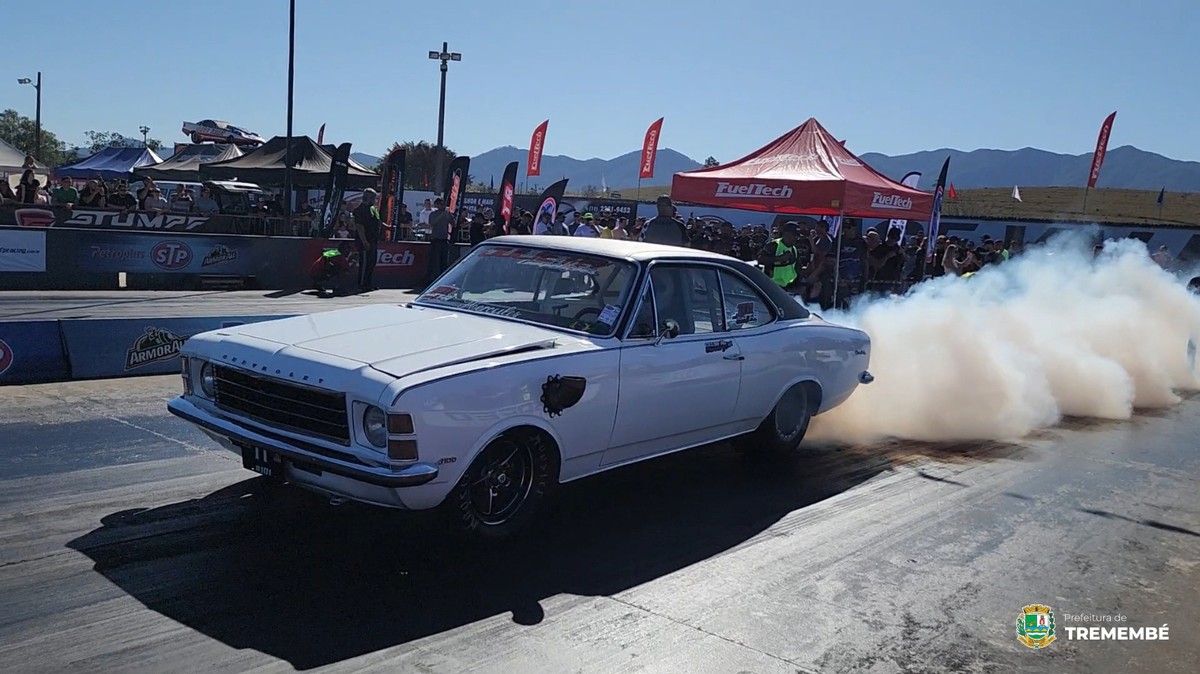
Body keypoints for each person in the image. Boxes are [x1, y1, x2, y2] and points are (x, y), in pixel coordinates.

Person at [352, 188, 383, 291]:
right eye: (374, 198)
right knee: (364, 263)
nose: (375, 200)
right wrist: (364, 241)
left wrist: (388, 227)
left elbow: (378, 221)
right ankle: (361, 284)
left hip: (373, 240)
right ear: (368, 198)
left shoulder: (373, 209)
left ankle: (368, 283)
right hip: (364, 241)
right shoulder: (359, 210)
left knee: (371, 262)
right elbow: (359, 227)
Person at [758, 221, 802, 291]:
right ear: (786, 234)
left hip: (787, 286)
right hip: (771, 285)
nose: (797, 239)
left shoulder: (794, 249)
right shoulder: (774, 245)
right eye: (795, 236)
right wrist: (779, 258)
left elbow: (796, 268)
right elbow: (760, 260)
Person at [426, 197, 453, 286]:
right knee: (434, 261)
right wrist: (441, 216)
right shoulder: (433, 214)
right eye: (441, 204)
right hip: (436, 240)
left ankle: (443, 279)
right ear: (436, 205)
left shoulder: (447, 214)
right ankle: (431, 279)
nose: (443, 206)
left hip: (444, 240)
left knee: (443, 261)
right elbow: (432, 223)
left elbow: (453, 223)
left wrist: (450, 216)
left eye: (443, 204)